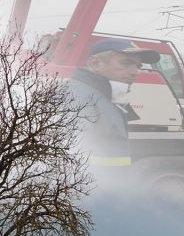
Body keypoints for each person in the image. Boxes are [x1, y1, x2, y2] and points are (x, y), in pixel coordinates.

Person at [66, 38, 160, 171]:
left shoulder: (102, 97)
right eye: (126, 63)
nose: (135, 72)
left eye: (138, 66)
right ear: (95, 63)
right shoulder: (76, 97)